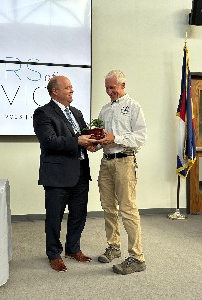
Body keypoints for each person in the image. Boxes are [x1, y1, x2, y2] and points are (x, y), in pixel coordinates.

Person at [88, 70, 147, 275]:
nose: (109, 91)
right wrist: (95, 144)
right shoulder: (104, 110)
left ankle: (137, 257)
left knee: (128, 209)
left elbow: (140, 138)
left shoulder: (133, 107)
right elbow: (103, 137)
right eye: (107, 88)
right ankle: (114, 246)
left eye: (112, 87)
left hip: (124, 162)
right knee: (108, 207)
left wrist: (115, 138)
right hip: (106, 162)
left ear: (123, 85)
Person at [33, 75, 93, 272]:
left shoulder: (76, 112)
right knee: (54, 217)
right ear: (55, 92)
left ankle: (73, 249)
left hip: (81, 172)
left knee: (79, 215)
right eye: (67, 87)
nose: (71, 90)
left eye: (72, 87)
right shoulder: (42, 113)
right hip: (57, 174)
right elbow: (49, 141)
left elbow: (84, 137)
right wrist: (78, 141)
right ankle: (54, 254)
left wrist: (93, 144)